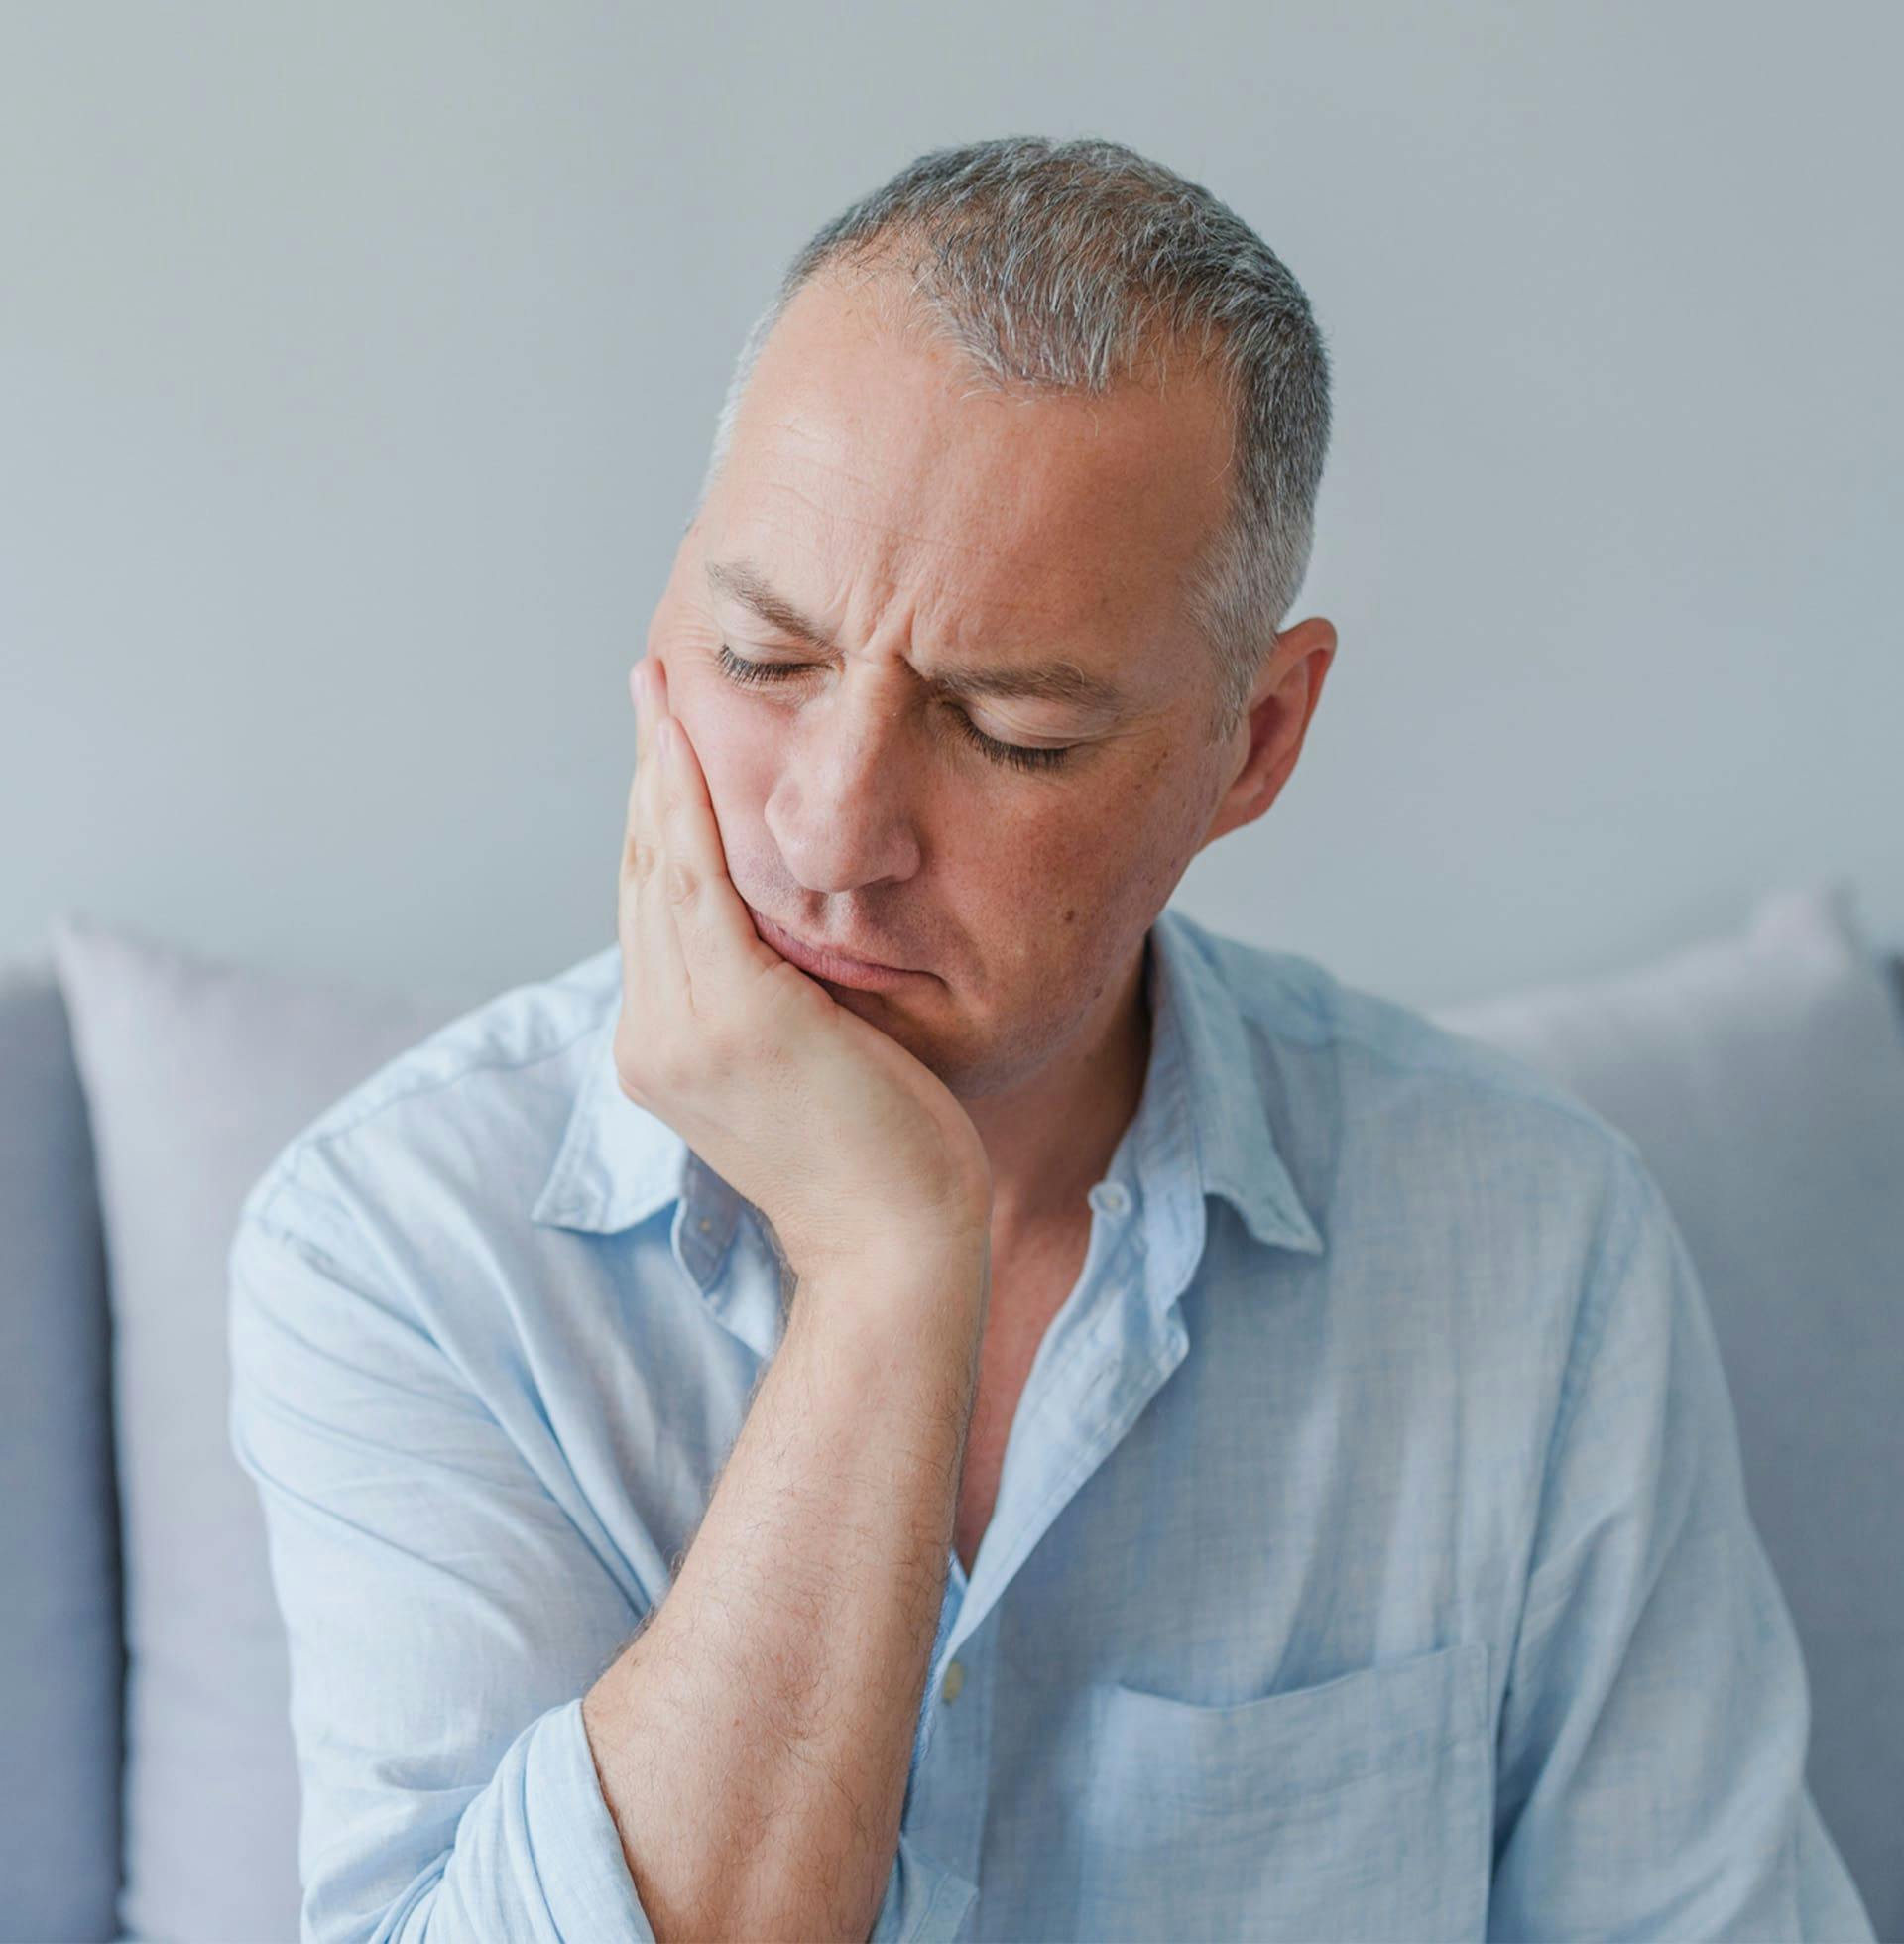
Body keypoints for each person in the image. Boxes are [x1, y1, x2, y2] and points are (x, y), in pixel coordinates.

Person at [228, 135, 1875, 1942]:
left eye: (1009, 729)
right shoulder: (400, 1248)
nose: (830, 836)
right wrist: (882, 1264)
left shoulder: (1537, 1249)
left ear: (1252, 743)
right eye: (766, 660)